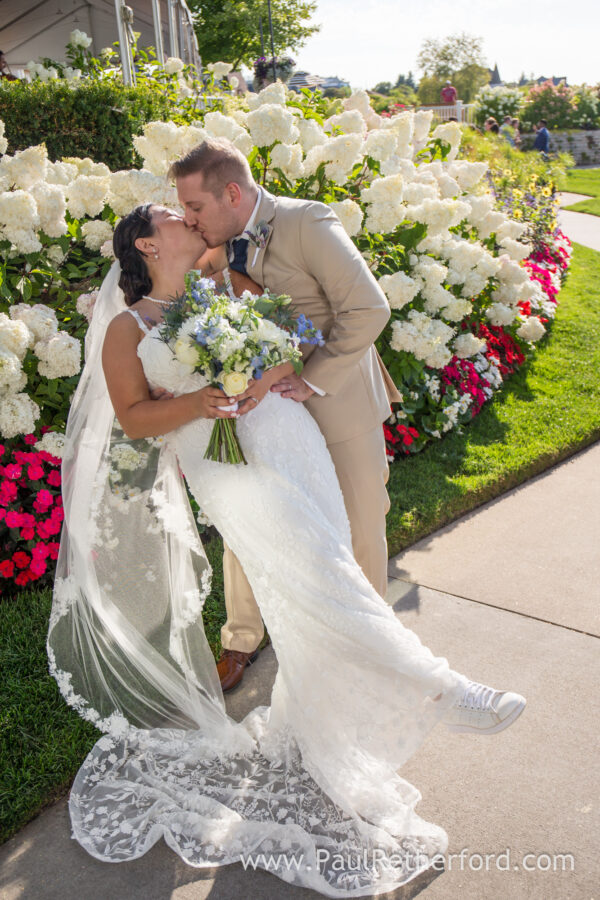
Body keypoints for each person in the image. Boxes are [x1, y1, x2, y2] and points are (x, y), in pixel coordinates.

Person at [47, 196, 527, 896]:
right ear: (147, 246)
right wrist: (203, 399)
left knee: (315, 587)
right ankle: (443, 689)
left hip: (289, 441)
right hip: (229, 468)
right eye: (171, 217)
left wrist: (267, 369)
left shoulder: (225, 284)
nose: (187, 219)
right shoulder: (125, 324)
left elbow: (295, 336)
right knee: (324, 575)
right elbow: (134, 416)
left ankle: (314, 742)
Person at [171, 138, 401, 692]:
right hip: (261, 411)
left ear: (232, 192)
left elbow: (369, 308)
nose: (188, 218)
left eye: (195, 206)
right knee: (248, 523)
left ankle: (371, 649)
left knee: (359, 523)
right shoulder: (217, 244)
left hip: (336, 401)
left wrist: (312, 378)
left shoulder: (306, 222)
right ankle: (240, 640)